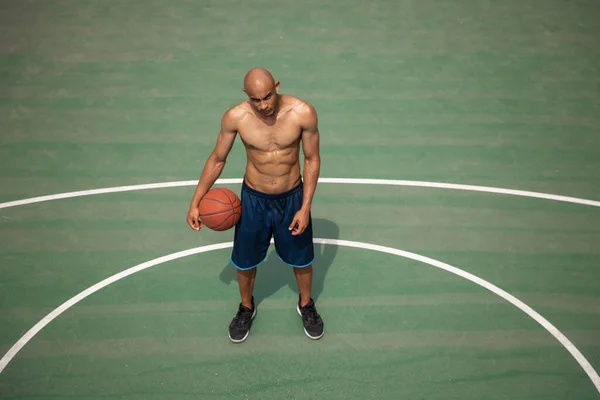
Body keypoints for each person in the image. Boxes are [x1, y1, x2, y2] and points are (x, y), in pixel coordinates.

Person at [186, 67, 324, 343]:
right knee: (245, 262)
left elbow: (311, 159)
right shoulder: (236, 117)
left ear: (277, 86)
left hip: (292, 196)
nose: (263, 105)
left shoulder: (302, 112)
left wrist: (305, 207)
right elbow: (217, 159)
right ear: (246, 96)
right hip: (253, 200)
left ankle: (306, 304)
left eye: (267, 97)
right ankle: (246, 307)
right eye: (255, 100)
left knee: (302, 258)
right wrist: (196, 200)